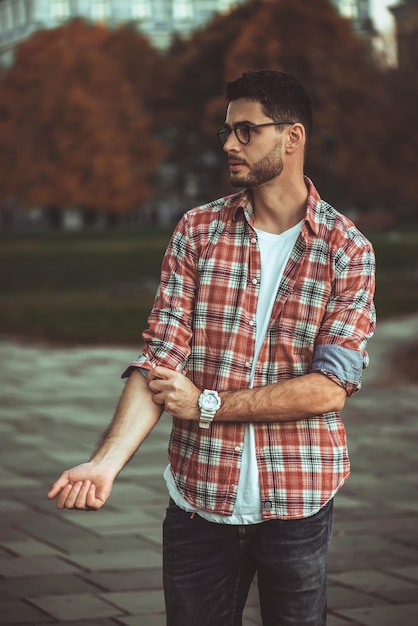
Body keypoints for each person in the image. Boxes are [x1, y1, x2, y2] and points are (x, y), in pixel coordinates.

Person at [48, 70, 376, 626]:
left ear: (292, 137)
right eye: (227, 130)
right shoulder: (198, 233)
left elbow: (328, 390)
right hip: (198, 499)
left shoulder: (347, 250)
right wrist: (105, 464)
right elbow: (160, 361)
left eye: (246, 130)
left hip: (299, 500)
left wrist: (207, 404)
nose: (229, 144)